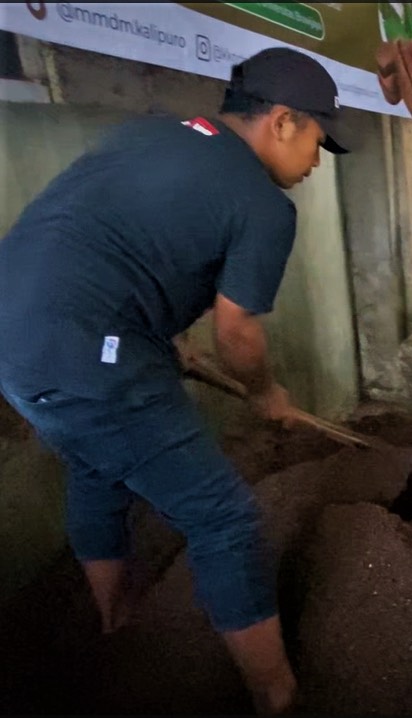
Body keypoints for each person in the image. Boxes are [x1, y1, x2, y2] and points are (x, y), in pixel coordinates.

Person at [0, 46, 352, 714]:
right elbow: (239, 335)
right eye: (316, 140)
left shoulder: (151, 133)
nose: (314, 162)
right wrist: (265, 394)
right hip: (88, 352)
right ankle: (276, 693)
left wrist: (162, 336)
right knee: (224, 516)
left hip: (14, 341)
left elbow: (110, 244)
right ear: (281, 122)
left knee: (96, 469)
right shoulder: (263, 205)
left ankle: (115, 615)